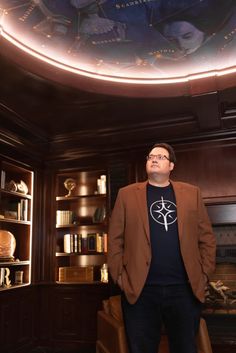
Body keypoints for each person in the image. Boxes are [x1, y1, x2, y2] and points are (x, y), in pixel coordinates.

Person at [108, 142, 216, 353]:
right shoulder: (126, 195)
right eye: (150, 157)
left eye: (161, 156)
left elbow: (207, 238)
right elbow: (114, 240)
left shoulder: (192, 193)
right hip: (140, 291)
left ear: (171, 166)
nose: (154, 159)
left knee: (185, 348)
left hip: (184, 290)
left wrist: (204, 274)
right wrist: (120, 277)